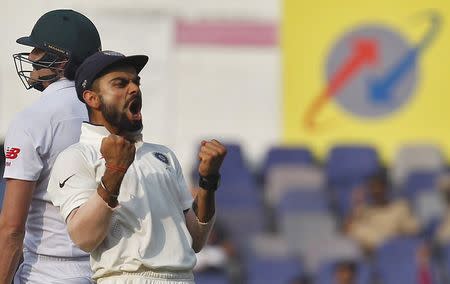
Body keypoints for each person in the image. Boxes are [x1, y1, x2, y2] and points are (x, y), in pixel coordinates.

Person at [47, 50, 227, 283]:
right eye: (120, 83)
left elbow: (194, 241)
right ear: (92, 99)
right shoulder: (76, 156)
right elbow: (84, 238)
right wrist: (115, 172)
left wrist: (208, 182)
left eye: (136, 82)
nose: (134, 89)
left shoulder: (163, 155)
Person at [0, 9, 101, 283]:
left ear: (61, 60)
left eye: (37, 50)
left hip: (47, 270)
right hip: (104, 268)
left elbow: (11, 229)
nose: (31, 57)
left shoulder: (33, 119)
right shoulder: (106, 113)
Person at [344, 171, 420, 253]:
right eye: (372, 188)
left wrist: (397, 235)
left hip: (397, 249)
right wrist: (356, 205)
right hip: (374, 253)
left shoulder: (400, 207)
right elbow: (346, 231)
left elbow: (414, 230)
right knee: (358, 230)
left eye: (379, 187)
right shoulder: (363, 210)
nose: (376, 191)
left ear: (386, 188)